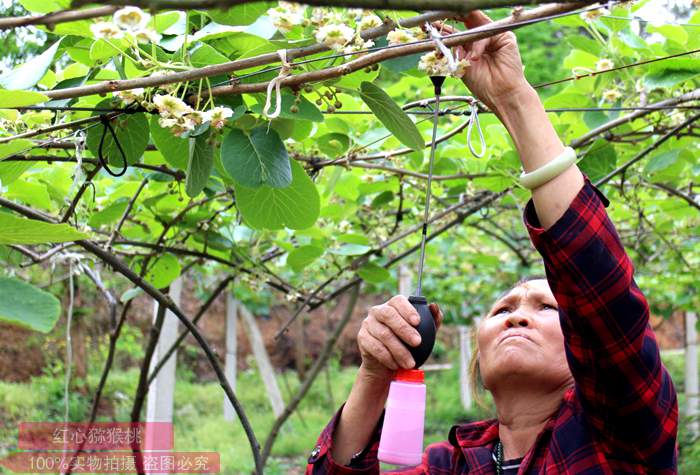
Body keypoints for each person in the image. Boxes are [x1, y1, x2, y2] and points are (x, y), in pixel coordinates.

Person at [305, 10, 678, 475]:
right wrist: (375, 374)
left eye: (548, 308)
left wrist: (513, 98)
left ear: (583, 342)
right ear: (479, 354)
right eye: (501, 311)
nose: (518, 314)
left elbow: (601, 295)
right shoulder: (450, 465)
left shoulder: (623, 436)